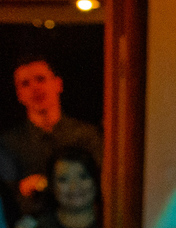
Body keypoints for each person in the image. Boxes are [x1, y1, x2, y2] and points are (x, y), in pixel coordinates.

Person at [2, 55, 103, 218]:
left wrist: (42, 185)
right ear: (19, 94)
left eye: (40, 79)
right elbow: (10, 200)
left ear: (58, 84)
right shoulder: (9, 144)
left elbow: (100, 187)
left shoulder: (87, 135)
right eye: (25, 84)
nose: (35, 88)